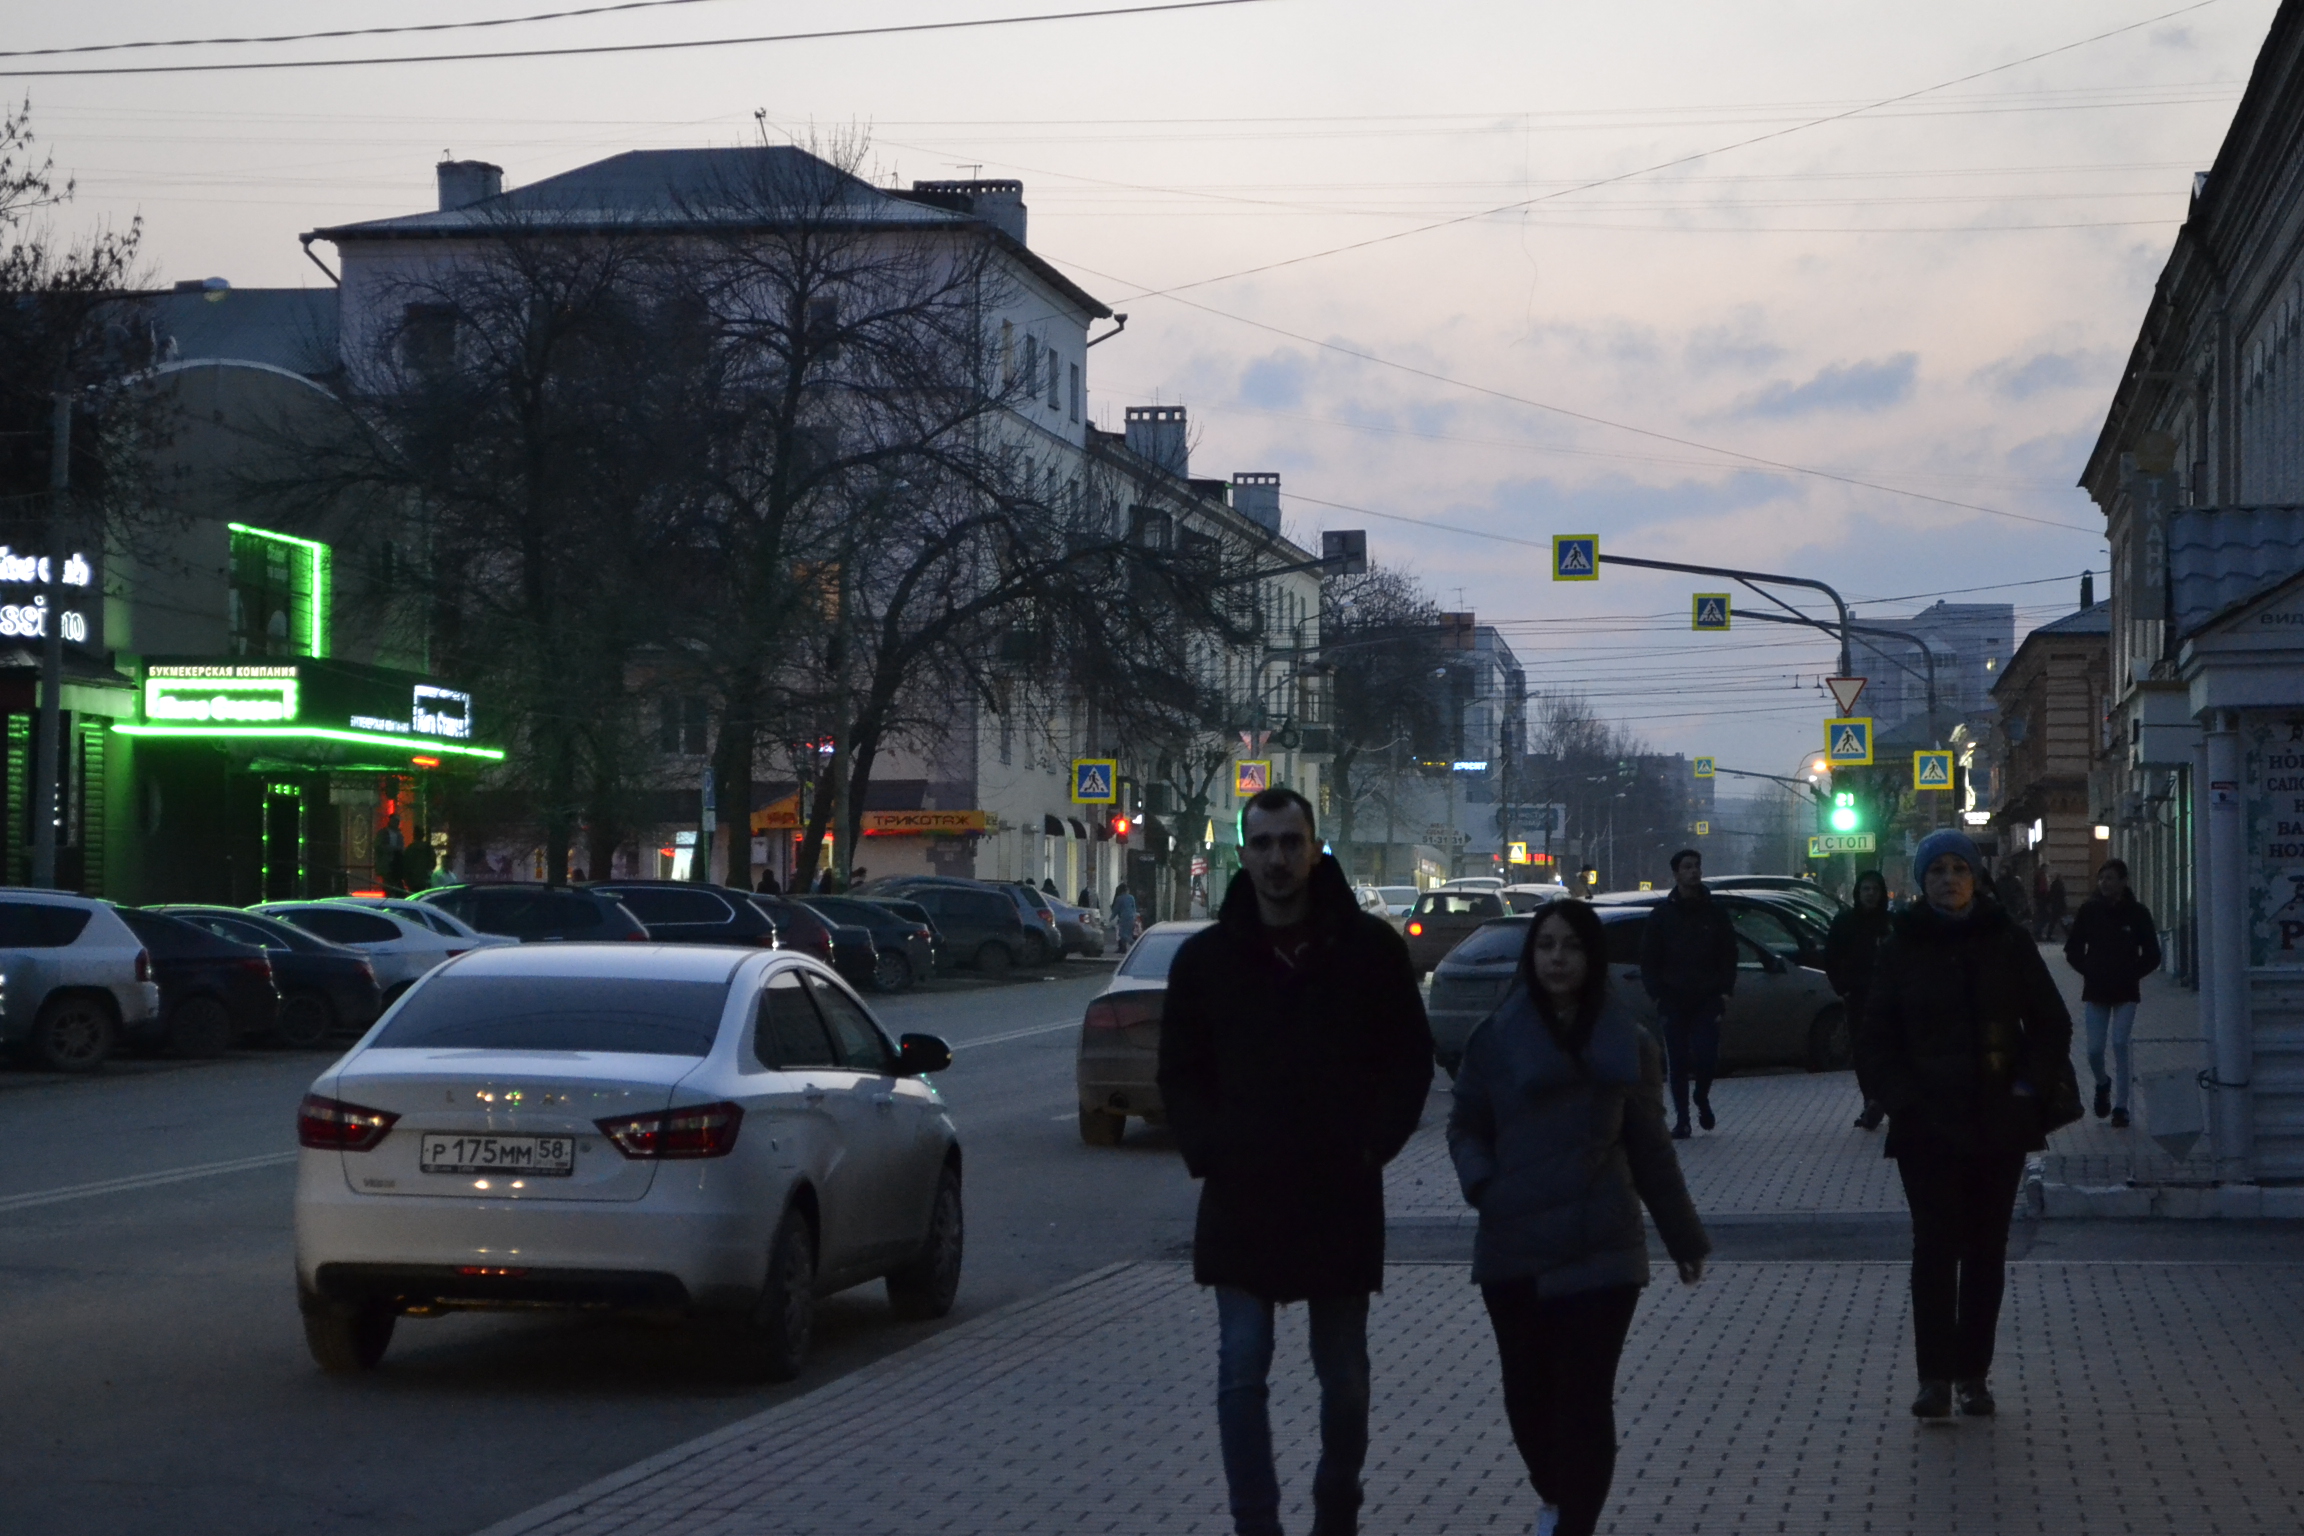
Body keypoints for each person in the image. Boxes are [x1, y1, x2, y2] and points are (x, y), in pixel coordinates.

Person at [1158, 787, 1434, 1536]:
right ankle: (1258, 1523)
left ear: (1316, 848)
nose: (1277, 858)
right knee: (1242, 1369)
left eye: (1291, 842)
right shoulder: (1207, 960)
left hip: (1338, 1192)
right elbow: (1179, 1071)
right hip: (1243, 1198)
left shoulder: (1368, 951)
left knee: (1343, 1376)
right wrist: (1209, 1147)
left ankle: (1336, 1502)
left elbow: (1409, 1059)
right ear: (1242, 853)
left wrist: (1374, 1143)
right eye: (1263, 843)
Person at [1449, 899, 1709, 1536]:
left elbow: (1650, 1149)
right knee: (1528, 1401)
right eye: (1545, 946)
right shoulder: (1496, 1037)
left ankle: (1574, 1525)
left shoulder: (1629, 1043)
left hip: (1602, 1250)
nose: (1557, 959)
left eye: (1571, 946)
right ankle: (1558, 1496)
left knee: (1584, 1402)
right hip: (1514, 1245)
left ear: (1592, 958)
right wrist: (1486, 1185)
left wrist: (1682, 1236)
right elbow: (1465, 1126)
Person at [1856, 829, 2078, 1421]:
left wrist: (2028, 1090)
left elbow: (2052, 1023)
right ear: (1922, 881)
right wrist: (1901, 1099)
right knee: (1933, 1250)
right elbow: (1874, 1036)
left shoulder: (2006, 941)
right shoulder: (1900, 947)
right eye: (1937, 871)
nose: (1949, 879)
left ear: (1975, 878)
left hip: (1997, 1123)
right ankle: (1933, 1379)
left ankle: (1973, 1376)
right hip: (1926, 1125)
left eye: (1959, 868)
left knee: (1985, 1251)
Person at [1638, 848, 1738, 1139]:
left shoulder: (1715, 913)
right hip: (1673, 999)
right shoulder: (1662, 915)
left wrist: (1724, 992)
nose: (1693, 871)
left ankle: (1702, 1096)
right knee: (1677, 1061)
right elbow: (1649, 958)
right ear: (1676, 874)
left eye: (1697, 866)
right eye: (1687, 867)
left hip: (1708, 999)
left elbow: (1728, 953)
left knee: (1707, 1058)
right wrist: (1657, 994)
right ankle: (1682, 1119)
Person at [2064, 859, 2162, 1129]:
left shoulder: (2137, 913)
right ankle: (2102, 1083)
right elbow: (2072, 949)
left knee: (2120, 1043)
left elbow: (2153, 953)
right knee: (2094, 1050)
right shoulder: (2090, 911)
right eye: (2101, 878)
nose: (2104, 883)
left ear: (2123, 881)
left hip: (2126, 991)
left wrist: (2133, 973)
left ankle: (2122, 1107)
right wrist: (2089, 970)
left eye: (2110, 878)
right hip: (2096, 990)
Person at [1827, 870, 1895, 1131]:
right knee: (1863, 1052)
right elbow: (1832, 958)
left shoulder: (1890, 924)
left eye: (1875, 890)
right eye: (1866, 889)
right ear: (1858, 892)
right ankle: (1871, 1101)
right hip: (1858, 997)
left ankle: (1883, 1099)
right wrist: (1842, 989)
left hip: (1887, 998)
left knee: (1888, 1051)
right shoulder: (1845, 922)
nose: (1870, 894)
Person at [2044, 874, 2070, 942]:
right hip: (2060, 906)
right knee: (2063, 922)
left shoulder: (2053, 885)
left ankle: (2049, 935)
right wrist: (2064, 906)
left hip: (2055, 905)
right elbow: (2062, 896)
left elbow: (2050, 895)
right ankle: (2069, 935)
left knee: (2054, 922)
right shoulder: (2060, 885)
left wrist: (2048, 903)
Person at [1110, 885, 1138, 951]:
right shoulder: (1131, 897)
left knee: (1122, 933)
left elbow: (1116, 910)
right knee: (1129, 933)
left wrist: (1111, 918)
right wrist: (1135, 917)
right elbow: (1134, 908)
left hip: (1124, 917)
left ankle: (1134, 944)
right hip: (1132, 917)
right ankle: (1123, 948)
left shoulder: (1119, 898)